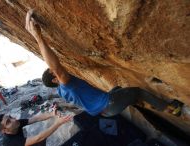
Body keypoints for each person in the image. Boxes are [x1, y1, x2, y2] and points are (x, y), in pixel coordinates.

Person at [25, 10, 182, 117]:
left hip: (104, 112)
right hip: (110, 105)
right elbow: (56, 67)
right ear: (54, 79)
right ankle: (172, 109)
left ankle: (139, 102)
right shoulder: (66, 84)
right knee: (138, 91)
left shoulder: (61, 91)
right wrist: (38, 37)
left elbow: (56, 71)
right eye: (52, 72)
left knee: (117, 89)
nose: (55, 71)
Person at [0, 110, 72, 146]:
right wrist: (58, 123)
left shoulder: (16, 123)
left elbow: (35, 118)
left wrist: (51, 113)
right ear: (4, 130)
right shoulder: (10, 141)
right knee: (40, 140)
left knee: (41, 141)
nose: (14, 119)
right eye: (8, 122)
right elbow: (38, 138)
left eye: (10, 117)